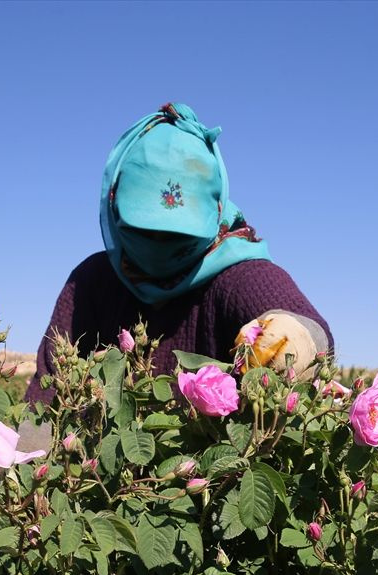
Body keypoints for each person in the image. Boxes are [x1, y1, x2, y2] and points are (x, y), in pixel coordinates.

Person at [22, 102, 332, 409]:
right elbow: (47, 394)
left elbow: (313, 332)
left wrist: (297, 336)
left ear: (217, 212)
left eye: (177, 236)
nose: (158, 245)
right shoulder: (93, 281)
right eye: (143, 231)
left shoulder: (237, 276)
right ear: (114, 206)